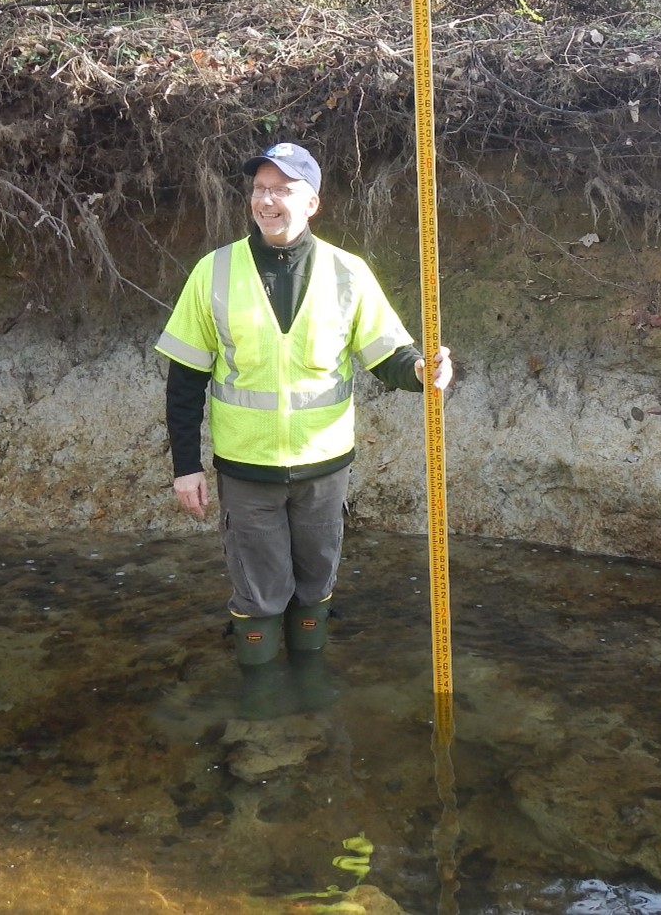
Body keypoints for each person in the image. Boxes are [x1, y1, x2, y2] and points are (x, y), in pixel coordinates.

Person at [154, 141, 453, 671]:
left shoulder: (349, 273)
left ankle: (312, 695)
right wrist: (185, 467)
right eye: (260, 190)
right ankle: (262, 706)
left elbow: (388, 355)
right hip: (247, 469)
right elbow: (185, 380)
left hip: (325, 468)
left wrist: (422, 372)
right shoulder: (213, 272)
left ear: (311, 202)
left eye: (282, 190)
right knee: (259, 591)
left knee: (315, 585)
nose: (267, 202)